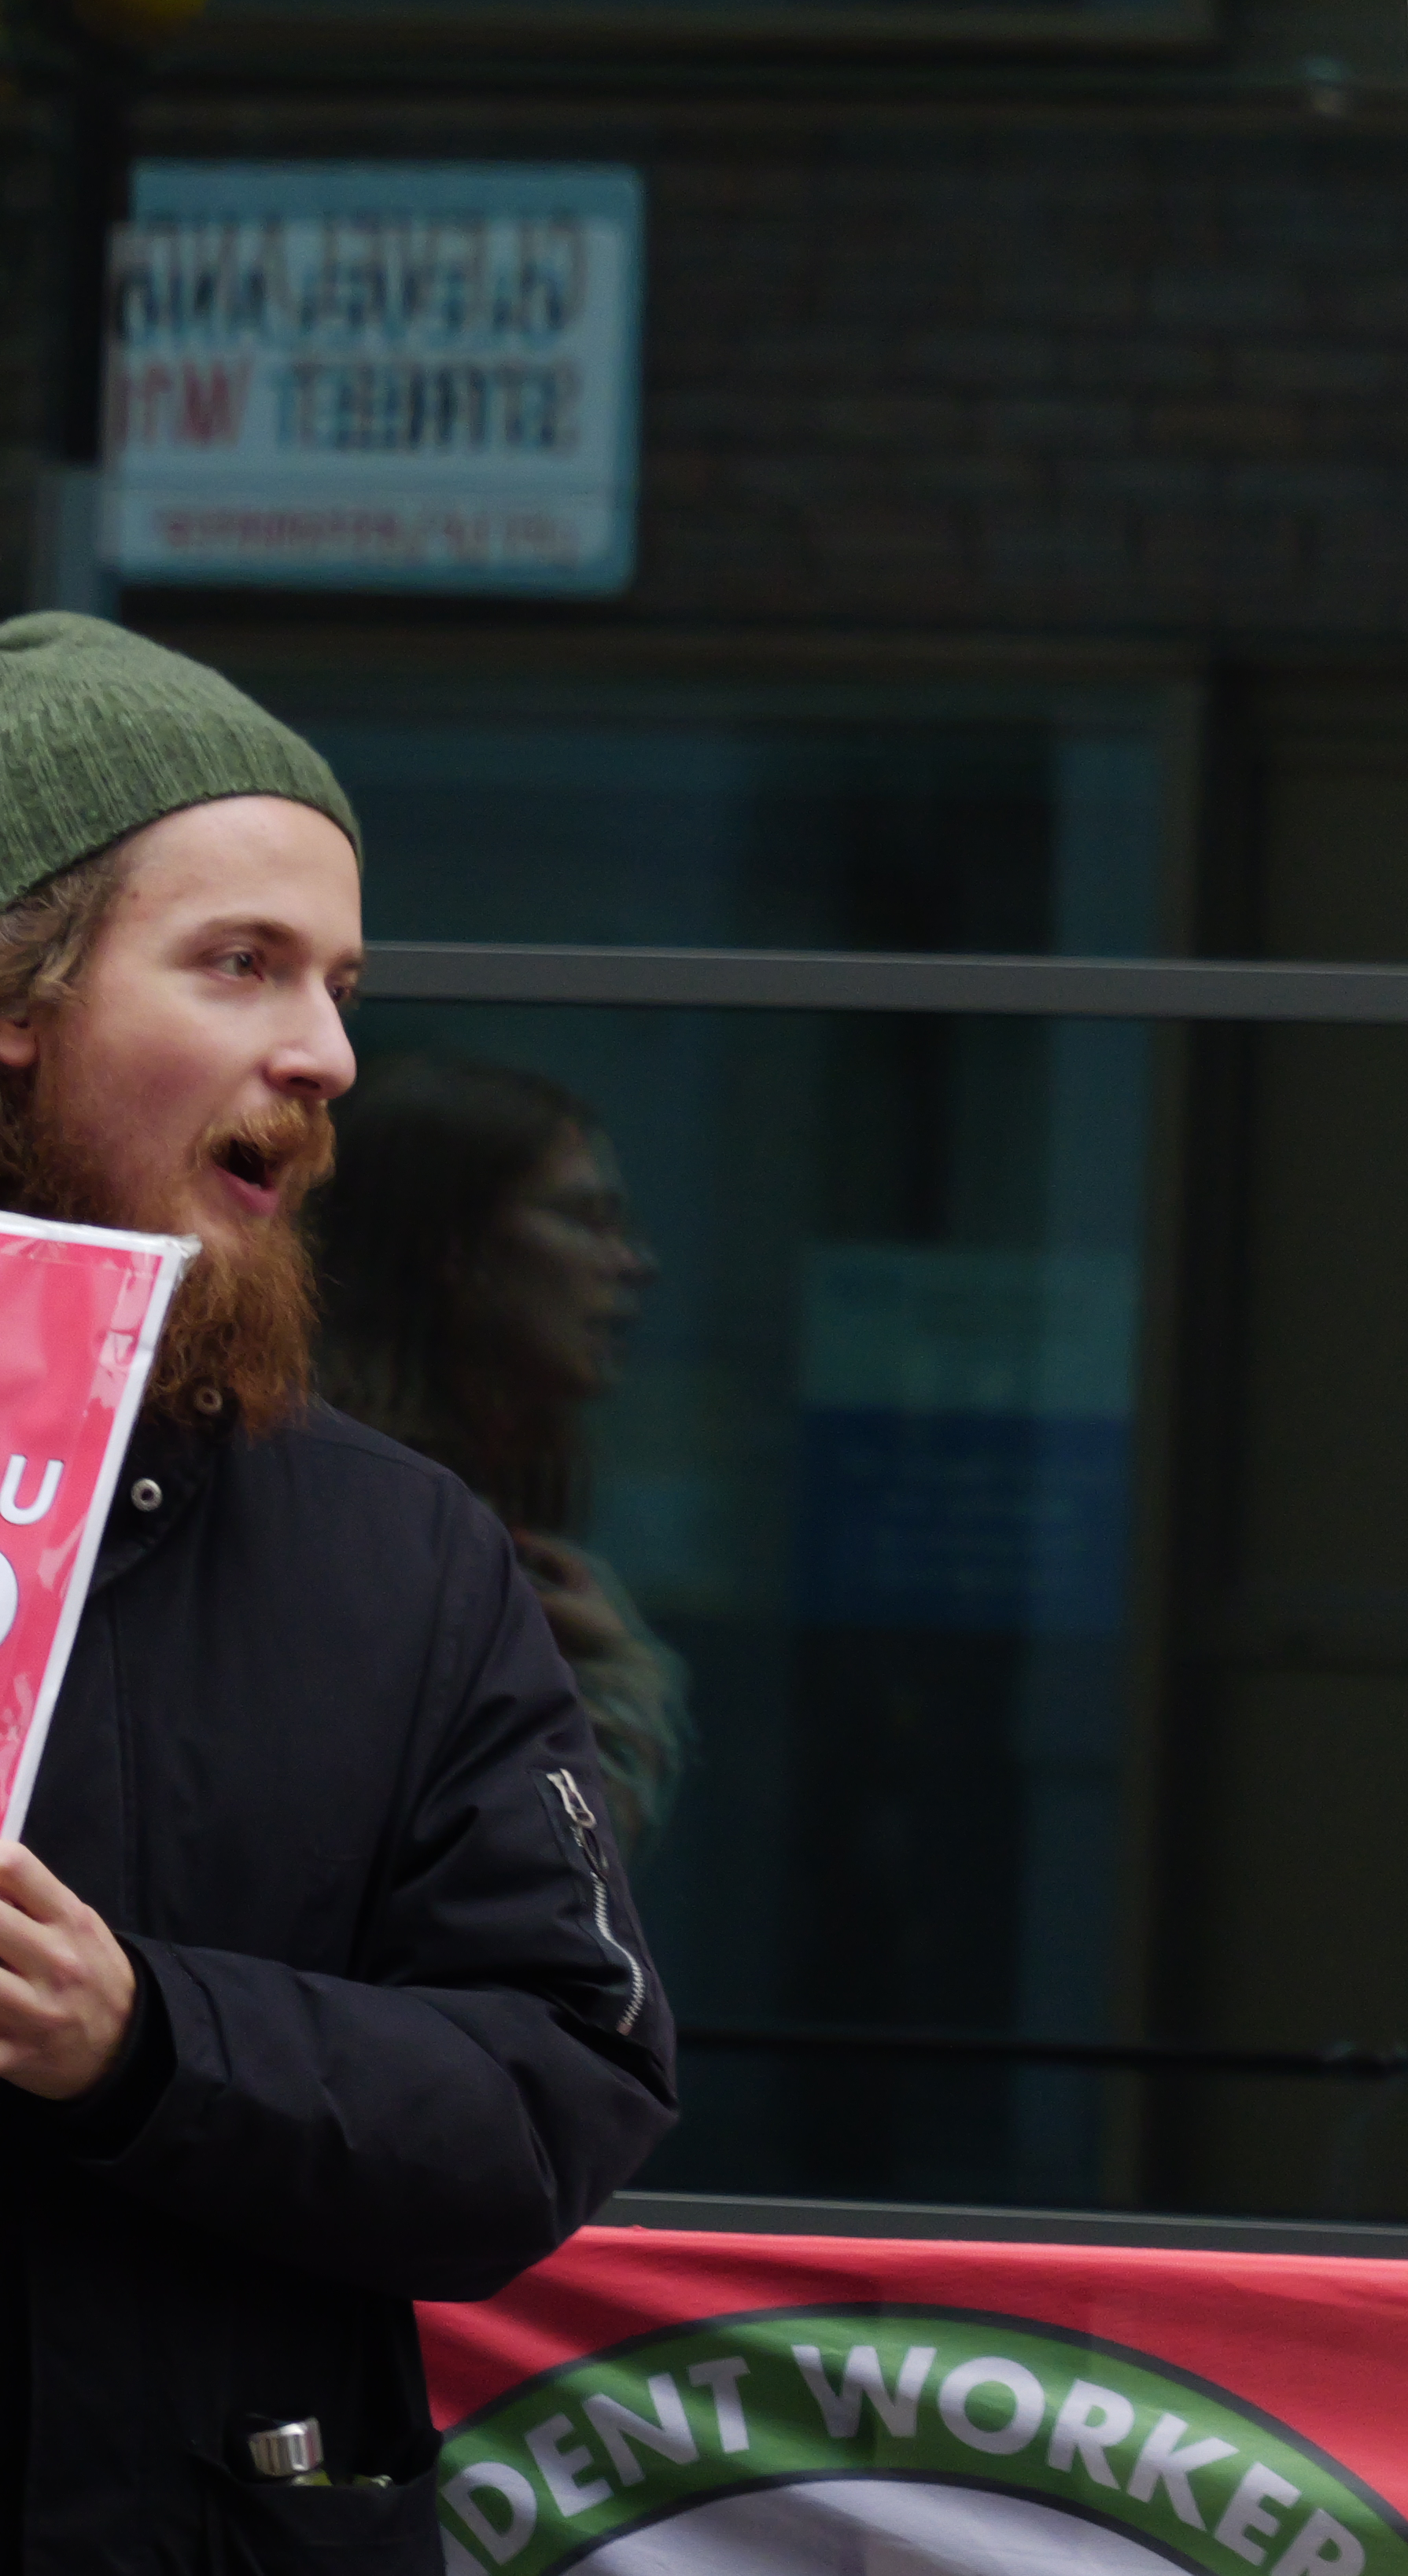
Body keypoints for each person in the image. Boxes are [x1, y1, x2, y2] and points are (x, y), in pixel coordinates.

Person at [0, 615, 678, 2566]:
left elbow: (555, 2085)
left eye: (340, 984)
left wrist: (143, 2035)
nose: (328, 1053)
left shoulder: (401, 1554)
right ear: (19, 995)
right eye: (241, 963)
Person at [313, 1049, 687, 1842]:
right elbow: (526, 1863)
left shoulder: (439, 1497)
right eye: (586, 1219)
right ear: (457, 1250)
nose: (633, 1264)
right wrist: (625, 1686)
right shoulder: (369, 1517)